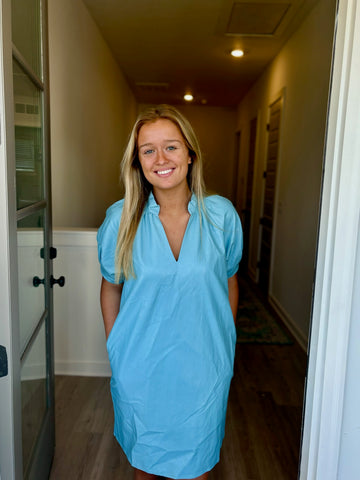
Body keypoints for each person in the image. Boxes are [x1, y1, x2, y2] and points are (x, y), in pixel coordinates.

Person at [97, 105, 243, 480]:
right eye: (148, 150)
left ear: (190, 154)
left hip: (203, 371)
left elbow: (228, 279)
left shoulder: (221, 217)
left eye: (171, 147)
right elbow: (111, 288)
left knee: (199, 468)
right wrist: (118, 348)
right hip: (140, 370)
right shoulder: (121, 219)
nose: (160, 159)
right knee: (145, 468)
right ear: (137, 161)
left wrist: (223, 345)